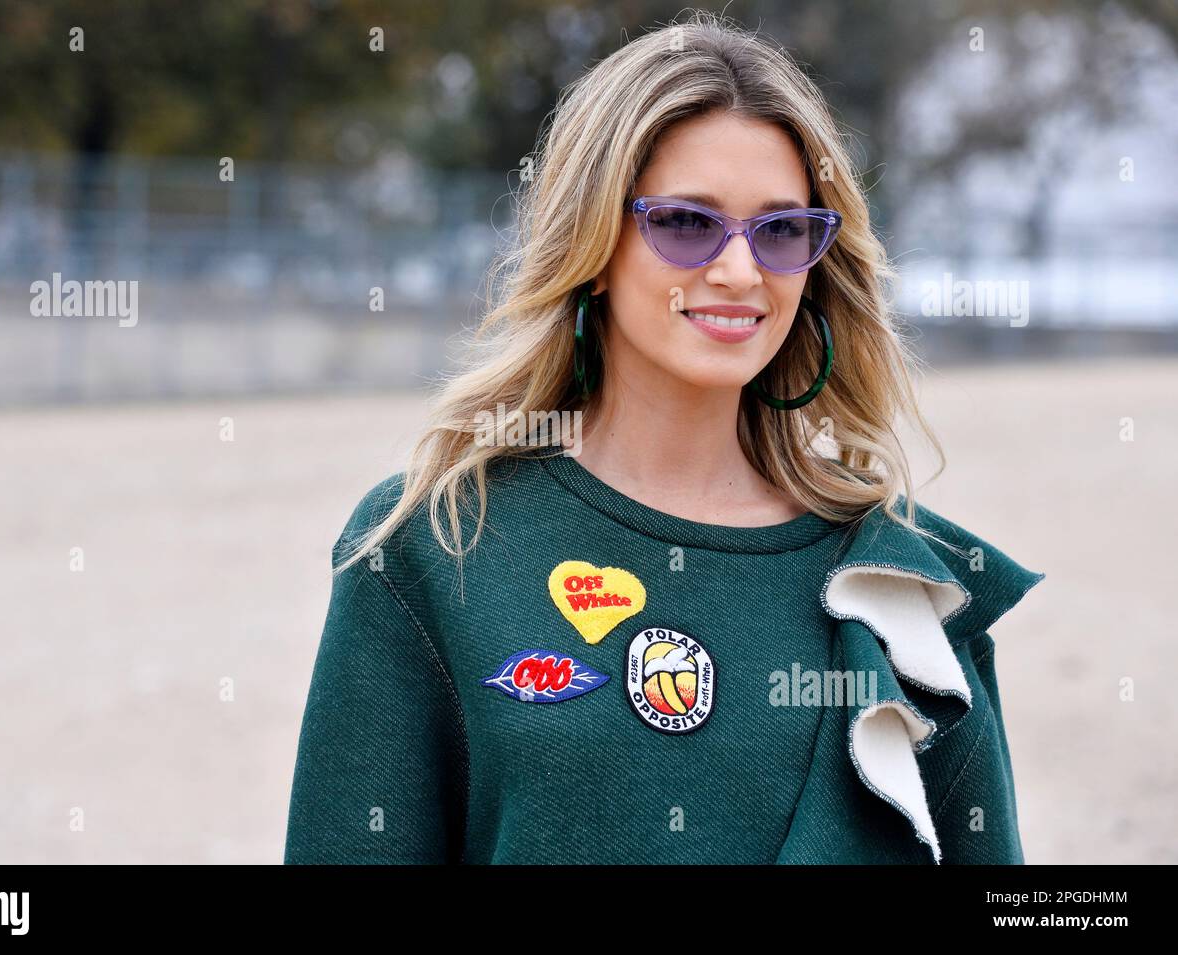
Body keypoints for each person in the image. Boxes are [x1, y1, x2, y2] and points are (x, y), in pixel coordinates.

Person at [284, 12, 1045, 865]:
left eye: (781, 229)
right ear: (595, 243)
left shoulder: (905, 590)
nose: (738, 270)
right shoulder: (433, 542)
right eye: (686, 222)